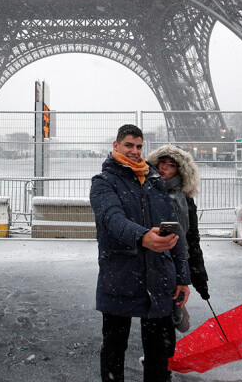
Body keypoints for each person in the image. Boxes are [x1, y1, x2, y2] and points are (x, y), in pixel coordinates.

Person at [90, 124, 191, 382]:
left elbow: (174, 231)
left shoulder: (155, 181)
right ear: (116, 146)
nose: (135, 151)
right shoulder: (103, 182)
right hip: (121, 275)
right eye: (129, 145)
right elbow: (111, 219)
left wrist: (182, 277)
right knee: (114, 348)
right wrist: (142, 237)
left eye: (139, 146)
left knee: (158, 352)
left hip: (159, 276)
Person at [147, 145, 210, 303]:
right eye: (162, 162)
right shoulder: (146, 191)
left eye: (172, 165)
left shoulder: (184, 199)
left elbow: (191, 237)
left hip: (175, 259)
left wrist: (198, 277)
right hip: (151, 258)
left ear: (180, 170)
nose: (164, 167)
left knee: (170, 312)